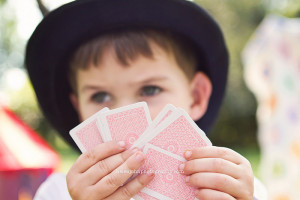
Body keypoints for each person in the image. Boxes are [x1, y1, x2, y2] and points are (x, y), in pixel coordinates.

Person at [26, 0, 266, 199]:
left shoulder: (231, 187)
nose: (123, 111)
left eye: (150, 90)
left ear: (196, 96)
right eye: (100, 96)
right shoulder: (57, 192)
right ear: (78, 109)